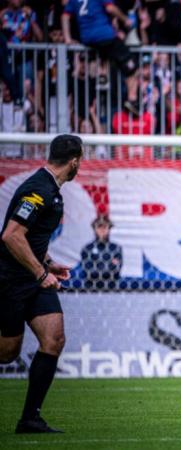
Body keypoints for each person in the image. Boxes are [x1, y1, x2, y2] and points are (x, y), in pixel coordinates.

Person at [0, 134, 83, 433]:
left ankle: (30, 419)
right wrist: (40, 273)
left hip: (33, 278)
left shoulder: (52, 190)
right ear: (73, 162)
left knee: (54, 338)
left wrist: (48, 264)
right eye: (80, 161)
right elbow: (10, 236)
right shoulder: (38, 189)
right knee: (7, 353)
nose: (80, 167)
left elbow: (31, 237)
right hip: (11, 280)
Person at [62, 0, 140, 115]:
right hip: (104, 36)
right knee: (133, 66)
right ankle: (132, 99)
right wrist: (125, 19)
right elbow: (110, 8)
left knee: (101, 63)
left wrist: (67, 38)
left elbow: (65, 16)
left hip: (87, 39)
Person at [79, 215, 122, 290]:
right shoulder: (87, 248)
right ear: (94, 229)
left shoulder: (116, 248)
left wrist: (97, 267)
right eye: (99, 227)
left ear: (109, 229)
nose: (102, 229)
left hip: (111, 288)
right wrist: (109, 265)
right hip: (90, 289)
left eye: (105, 227)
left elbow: (116, 271)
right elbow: (89, 271)